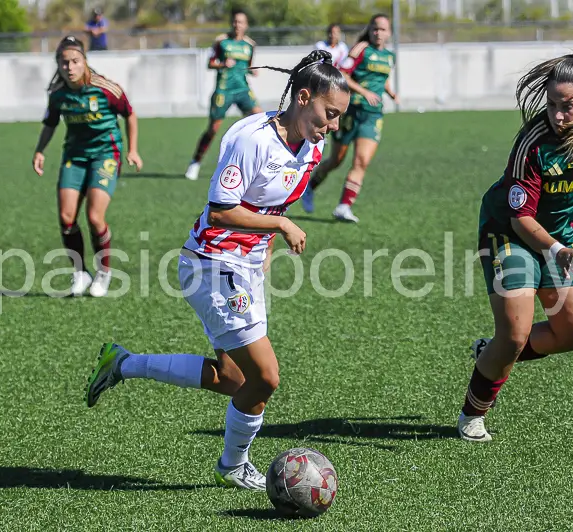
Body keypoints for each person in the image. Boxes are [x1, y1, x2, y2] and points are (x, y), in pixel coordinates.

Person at [85, 50, 349, 490]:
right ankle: (232, 466)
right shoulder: (252, 139)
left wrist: (264, 247)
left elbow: (268, 200)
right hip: (212, 265)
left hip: (245, 266)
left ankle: (123, 364)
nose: (334, 125)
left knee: (233, 380)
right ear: (304, 97)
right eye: (330, 113)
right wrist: (281, 225)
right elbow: (223, 211)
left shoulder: (313, 144)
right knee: (265, 377)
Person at [456, 53, 573, 443]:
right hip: (510, 233)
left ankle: (492, 353)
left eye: (567, 105)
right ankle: (472, 415)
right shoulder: (532, 144)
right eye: (551, 104)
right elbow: (522, 219)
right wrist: (556, 250)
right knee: (515, 334)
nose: (556, 114)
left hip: (563, 237)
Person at [33, 36, 142, 297]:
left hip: (106, 154)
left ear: (84, 62)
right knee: (66, 218)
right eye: (64, 62)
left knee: (95, 217)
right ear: (57, 64)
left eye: (74, 61)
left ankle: (103, 272)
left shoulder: (105, 88)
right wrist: (40, 150)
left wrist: (133, 149)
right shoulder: (59, 94)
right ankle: (80, 272)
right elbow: (50, 123)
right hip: (75, 156)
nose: (69, 67)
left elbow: (129, 113)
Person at [301, 13, 399, 223]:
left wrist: (391, 93)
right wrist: (364, 92)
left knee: (361, 161)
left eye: (382, 29)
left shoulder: (390, 56)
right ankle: (310, 186)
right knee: (336, 160)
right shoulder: (361, 49)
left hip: (372, 115)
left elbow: (382, 79)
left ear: (389, 32)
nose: (378, 33)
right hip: (351, 112)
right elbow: (342, 73)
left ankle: (344, 206)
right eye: (375, 29)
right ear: (370, 30)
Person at [185, 9, 263, 181]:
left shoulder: (250, 45)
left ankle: (257, 164)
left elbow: (247, 65)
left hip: (242, 89)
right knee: (213, 129)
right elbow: (210, 63)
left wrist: (252, 71)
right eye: (235, 21)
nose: (237, 25)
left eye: (241, 22)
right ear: (232, 23)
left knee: (261, 120)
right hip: (223, 90)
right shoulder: (222, 42)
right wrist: (222, 64)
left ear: (246, 25)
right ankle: (195, 162)